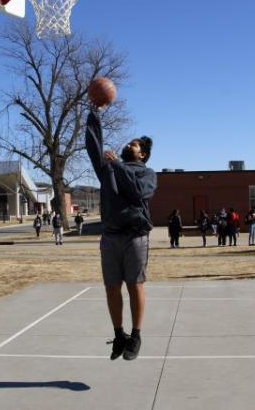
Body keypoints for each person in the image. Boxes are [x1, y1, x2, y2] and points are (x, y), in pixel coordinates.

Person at [86, 107, 156, 361]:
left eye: (134, 144)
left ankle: (136, 335)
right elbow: (93, 148)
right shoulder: (109, 169)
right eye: (129, 142)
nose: (129, 144)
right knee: (111, 288)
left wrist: (116, 163)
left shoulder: (147, 173)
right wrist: (94, 115)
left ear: (143, 154)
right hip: (111, 236)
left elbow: (138, 193)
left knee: (135, 285)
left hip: (135, 236)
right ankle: (119, 335)